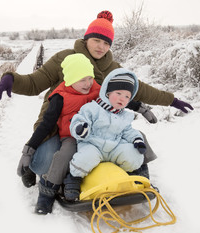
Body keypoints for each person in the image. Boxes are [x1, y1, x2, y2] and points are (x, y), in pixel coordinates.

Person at [0, 10, 193, 187]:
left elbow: (139, 90)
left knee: (122, 144)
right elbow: (34, 83)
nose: (101, 47)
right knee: (45, 163)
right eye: (96, 40)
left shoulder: (113, 69)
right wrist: (10, 79)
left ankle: (129, 176)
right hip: (59, 126)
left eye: (106, 43)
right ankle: (32, 167)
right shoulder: (64, 58)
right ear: (87, 38)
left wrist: (171, 100)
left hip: (97, 127)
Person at [17, 53, 101, 214]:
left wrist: (139, 107)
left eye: (90, 78)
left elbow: (117, 95)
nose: (88, 83)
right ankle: (47, 193)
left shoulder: (97, 89)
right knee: (63, 157)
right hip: (71, 137)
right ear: (70, 79)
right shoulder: (60, 97)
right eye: (82, 79)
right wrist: (28, 150)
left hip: (95, 135)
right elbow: (45, 125)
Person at [63, 68, 148, 201]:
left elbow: (128, 130)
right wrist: (81, 128)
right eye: (118, 93)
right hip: (93, 144)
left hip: (115, 146)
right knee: (85, 158)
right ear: (107, 93)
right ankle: (73, 179)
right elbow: (79, 120)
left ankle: (134, 174)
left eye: (127, 96)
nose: (122, 98)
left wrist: (137, 139)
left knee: (132, 154)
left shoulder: (124, 115)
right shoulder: (92, 108)